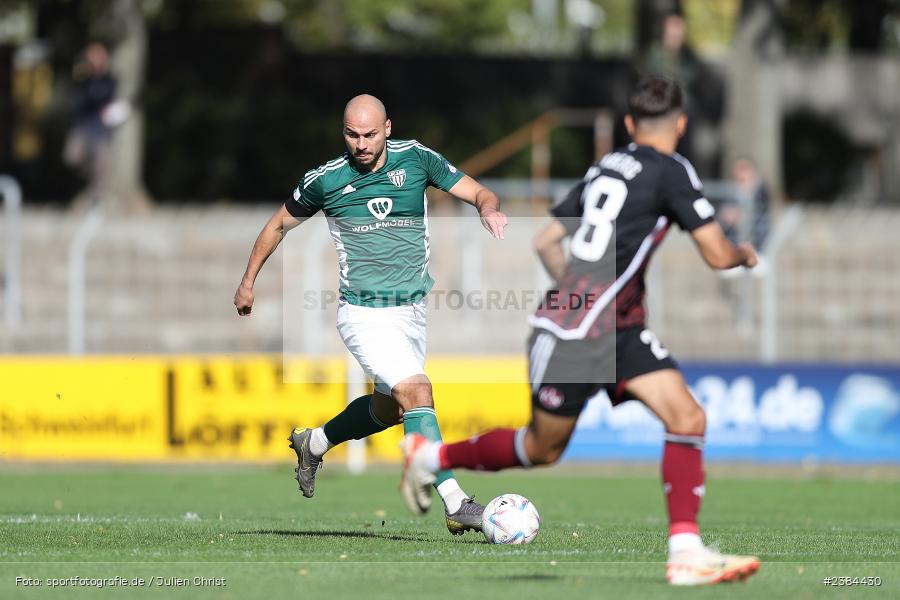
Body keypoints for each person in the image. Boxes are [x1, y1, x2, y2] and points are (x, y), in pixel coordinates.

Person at [401, 77, 761, 585]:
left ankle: (685, 553)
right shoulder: (673, 170)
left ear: (631, 125)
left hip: (593, 326)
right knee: (540, 449)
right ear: (681, 124)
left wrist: (581, 292)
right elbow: (719, 254)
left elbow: (547, 241)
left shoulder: (606, 166)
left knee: (686, 416)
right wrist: (746, 254)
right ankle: (432, 457)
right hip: (587, 335)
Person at [234, 94, 507, 536]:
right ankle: (456, 502)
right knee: (418, 392)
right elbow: (278, 224)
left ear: (388, 129)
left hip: (412, 312)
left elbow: (477, 190)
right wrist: (248, 281)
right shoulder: (326, 179)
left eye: (369, 134)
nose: (360, 143)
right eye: (351, 134)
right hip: (363, 314)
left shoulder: (416, 160)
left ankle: (314, 442)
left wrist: (487, 208)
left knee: (390, 409)